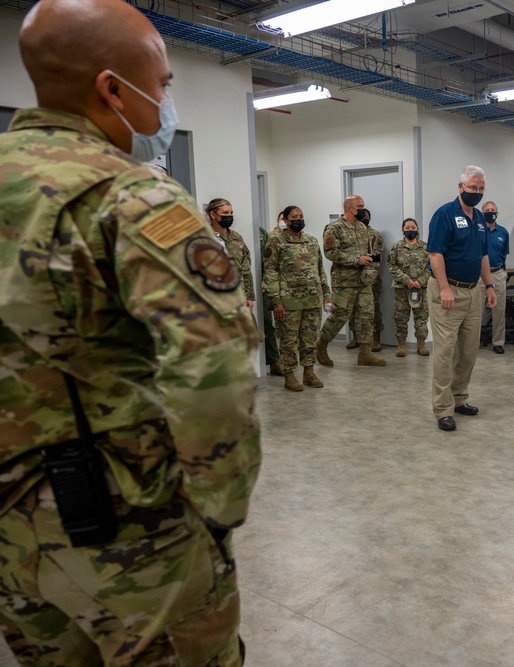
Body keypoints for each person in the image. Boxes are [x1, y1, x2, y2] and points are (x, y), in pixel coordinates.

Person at [0, 0, 260, 663]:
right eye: (165, 85)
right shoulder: (132, 195)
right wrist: (217, 504)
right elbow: (213, 368)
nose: (166, 104)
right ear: (112, 88)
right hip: (126, 527)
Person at [427, 165, 497, 431]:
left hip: (472, 291)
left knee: (468, 352)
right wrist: (444, 288)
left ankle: (459, 398)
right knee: (445, 352)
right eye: (472, 188)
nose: (476, 193)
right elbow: (435, 254)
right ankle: (443, 409)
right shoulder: (444, 215)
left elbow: (483, 256)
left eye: (480, 189)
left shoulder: (479, 218)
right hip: (448, 291)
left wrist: (489, 286)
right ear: (460, 187)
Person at [263, 205, 332, 391]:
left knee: (310, 338)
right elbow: (270, 273)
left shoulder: (311, 240)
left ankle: (309, 372)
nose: (299, 219)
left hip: (312, 300)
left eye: (301, 216)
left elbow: (320, 270)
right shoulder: (275, 241)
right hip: (289, 302)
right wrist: (276, 301)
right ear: (285, 220)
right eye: (294, 216)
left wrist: (327, 294)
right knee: (289, 341)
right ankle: (289, 375)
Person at [316, 195, 386, 367]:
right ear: (349, 208)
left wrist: (370, 263)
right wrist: (356, 259)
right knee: (340, 316)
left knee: (366, 316)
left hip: (364, 281)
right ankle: (321, 346)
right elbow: (330, 253)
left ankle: (364, 353)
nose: (363, 209)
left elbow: (367, 253)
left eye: (363, 205)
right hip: (344, 281)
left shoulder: (362, 228)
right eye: (360, 206)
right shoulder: (334, 229)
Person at [389, 217, 431, 358]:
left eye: (413, 227)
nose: (410, 230)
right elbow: (392, 266)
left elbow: (431, 266)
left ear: (417, 229)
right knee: (400, 318)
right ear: (402, 230)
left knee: (422, 318)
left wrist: (420, 280)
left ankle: (421, 345)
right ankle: (401, 346)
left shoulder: (426, 247)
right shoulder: (396, 247)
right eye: (407, 228)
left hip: (421, 288)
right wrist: (406, 280)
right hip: (402, 289)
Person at [206, 198, 254, 309]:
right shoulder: (205, 236)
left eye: (231, 213)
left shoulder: (236, 237)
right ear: (213, 215)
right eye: (225, 213)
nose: (229, 216)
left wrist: (249, 296)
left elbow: (245, 268)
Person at [347, 214, 385, 352]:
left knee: (372, 308)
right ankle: (356, 337)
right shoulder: (350, 233)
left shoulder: (375, 235)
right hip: (352, 276)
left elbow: (375, 257)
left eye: (367, 216)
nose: (364, 218)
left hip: (371, 277)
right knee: (353, 308)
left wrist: (362, 261)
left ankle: (375, 338)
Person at [483, 200, 510, 354]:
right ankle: (472, 342)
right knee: (475, 310)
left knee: (499, 310)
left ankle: (498, 342)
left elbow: (504, 254)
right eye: (487, 210)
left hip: (498, 273)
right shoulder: (478, 230)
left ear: (497, 213)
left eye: (493, 209)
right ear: (482, 213)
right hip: (479, 275)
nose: (490, 212)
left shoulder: (503, 232)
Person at [260, 215, 281, 376]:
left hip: (265, 286)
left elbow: (267, 261)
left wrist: (264, 280)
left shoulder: (261, 233)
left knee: (268, 325)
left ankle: (274, 361)